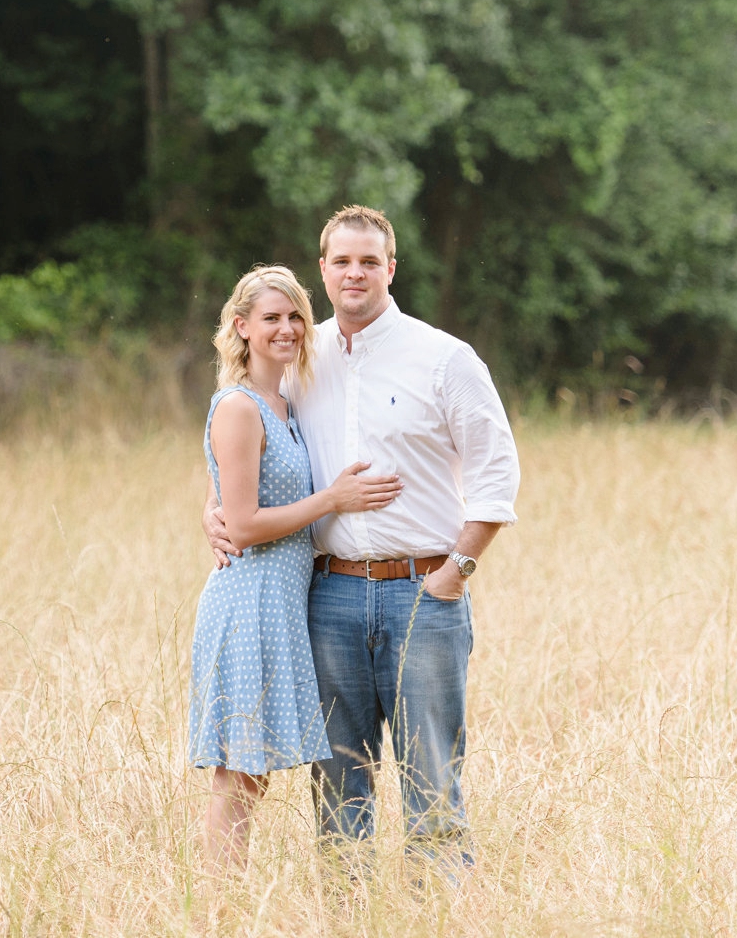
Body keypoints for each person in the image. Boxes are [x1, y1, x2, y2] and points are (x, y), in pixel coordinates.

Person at [206, 206, 521, 882]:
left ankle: (437, 921)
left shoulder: (443, 358)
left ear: (391, 269)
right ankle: (350, 917)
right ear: (322, 270)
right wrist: (214, 508)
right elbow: (251, 450)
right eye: (342, 261)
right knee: (338, 787)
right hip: (328, 598)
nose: (355, 272)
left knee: (432, 776)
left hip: (423, 593)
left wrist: (455, 573)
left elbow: (499, 473)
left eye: (369, 261)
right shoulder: (299, 358)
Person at [188, 264, 406, 869]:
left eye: (294, 319)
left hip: (286, 603)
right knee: (238, 776)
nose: (285, 330)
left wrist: (210, 506)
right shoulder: (238, 406)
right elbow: (247, 524)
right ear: (241, 328)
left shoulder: (286, 402)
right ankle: (217, 913)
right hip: (249, 601)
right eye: (271, 319)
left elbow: (226, 497)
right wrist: (332, 500)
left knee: (254, 777)